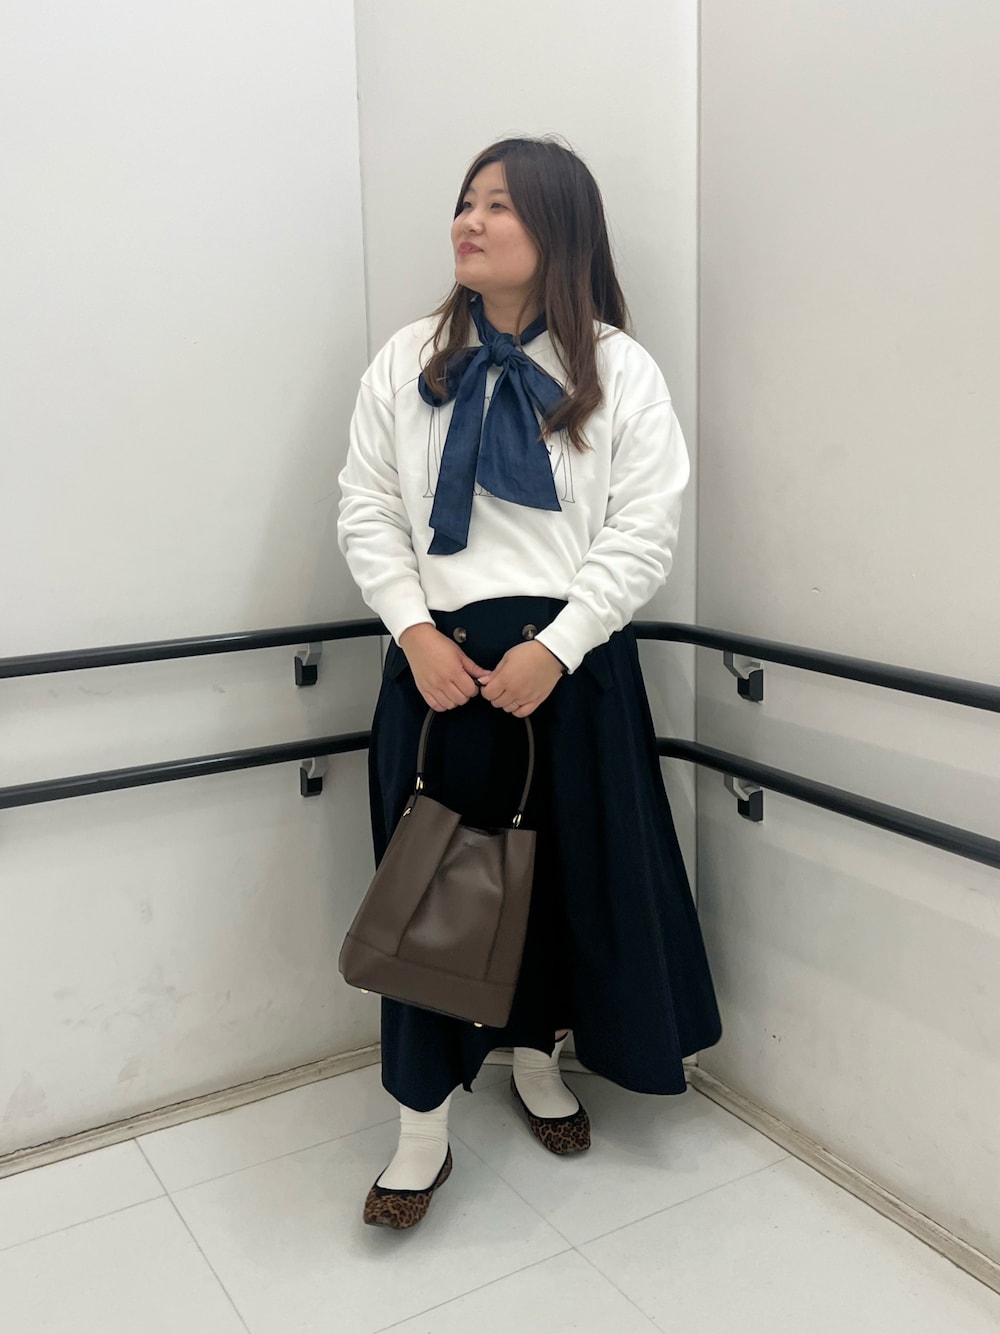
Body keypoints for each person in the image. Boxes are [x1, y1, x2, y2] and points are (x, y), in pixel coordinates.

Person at [337, 136, 722, 1230]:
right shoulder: (408, 361)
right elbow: (367, 505)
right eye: (465, 200)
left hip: (575, 671)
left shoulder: (619, 370)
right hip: (440, 671)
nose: (470, 220)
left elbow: (644, 526)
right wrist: (413, 632)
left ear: (559, 229)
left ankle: (537, 1061)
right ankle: (420, 1127)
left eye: (499, 205)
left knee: (559, 884)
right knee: (432, 901)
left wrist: (558, 645)